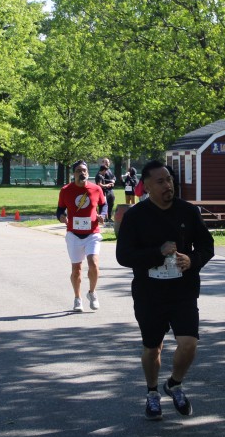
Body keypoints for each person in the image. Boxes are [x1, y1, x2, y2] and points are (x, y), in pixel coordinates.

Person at [116, 161, 214, 420]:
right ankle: (152, 393)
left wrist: (192, 260)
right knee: (152, 348)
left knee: (189, 344)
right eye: (160, 181)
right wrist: (157, 253)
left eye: (169, 179)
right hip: (149, 293)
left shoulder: (188, 212)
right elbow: (123, 256)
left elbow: (207, 245)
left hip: (183, 290)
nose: (168, 185)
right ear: (146, 186)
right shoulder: (135, 216)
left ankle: (174, 384)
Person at [57, 161, 107, 312]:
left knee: (93, 264)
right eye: (78, 171)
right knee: (76, 269)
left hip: (92, 233)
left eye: (84, 170)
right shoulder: (66, 190)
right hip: (74, 234)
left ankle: (92, 292)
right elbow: (60, 210)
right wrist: (62, 217)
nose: (82, 173)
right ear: (74, 174)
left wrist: (103, 214)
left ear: (88, 172)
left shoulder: (96, 189)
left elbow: (104, 205)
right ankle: (77, 298)